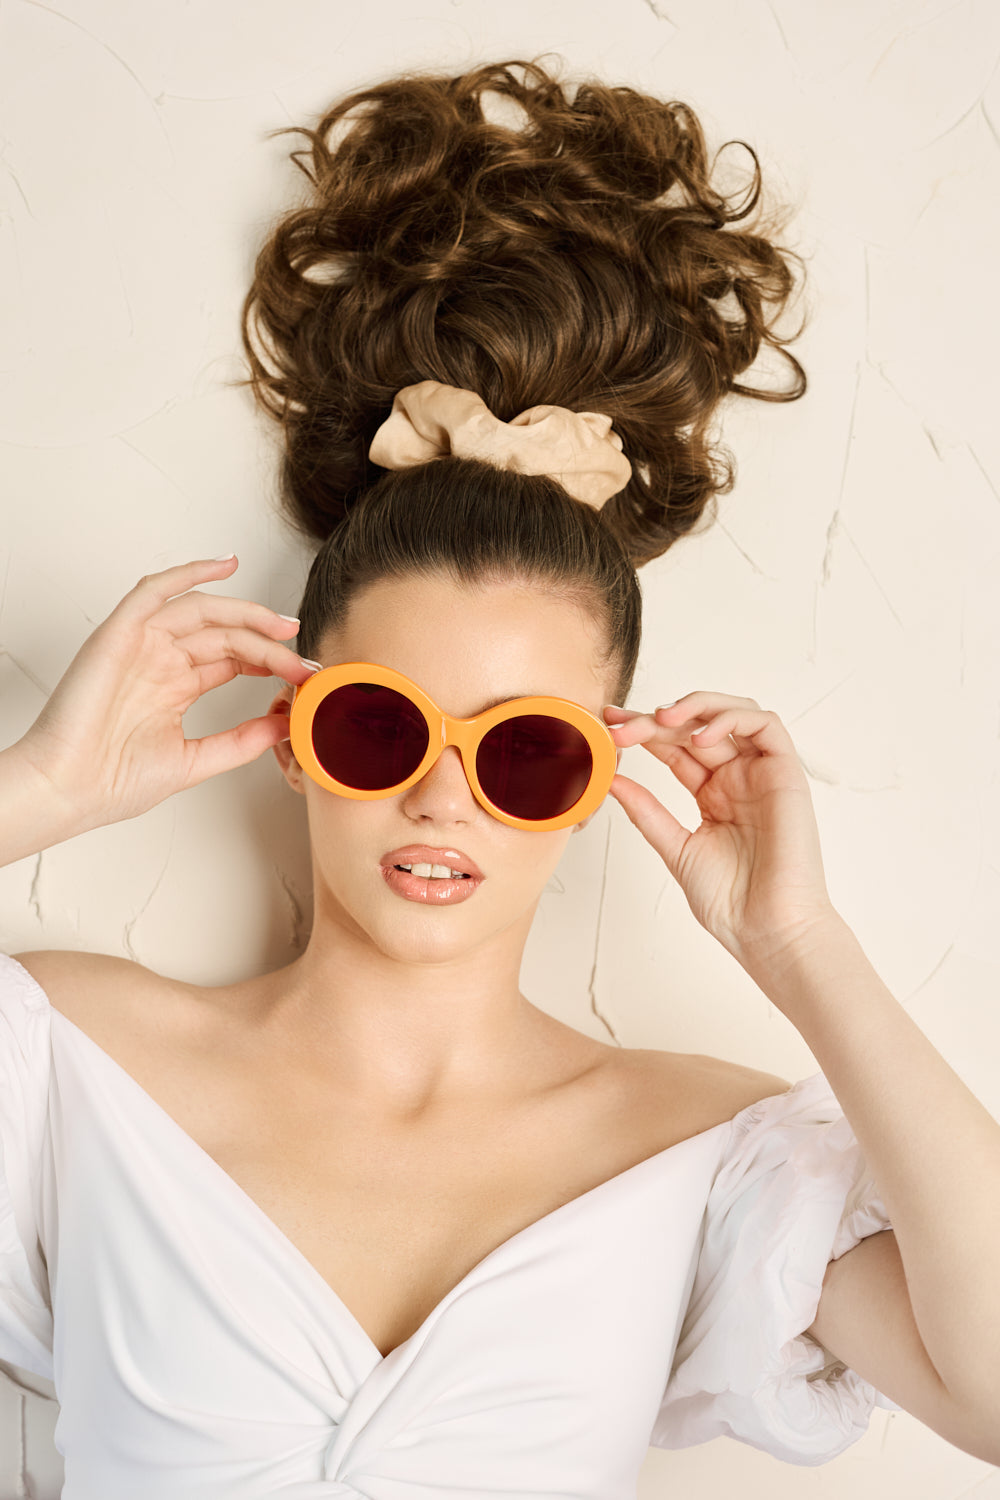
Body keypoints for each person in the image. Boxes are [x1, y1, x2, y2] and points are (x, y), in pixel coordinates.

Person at [2, 55, 999, 1500]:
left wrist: (800, 947)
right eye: (380, 728)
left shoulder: (702, 1150)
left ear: (601, 774)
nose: (442, 800)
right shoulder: (74, 1061)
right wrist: (37, 789)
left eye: (528, 750)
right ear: (294, 734)